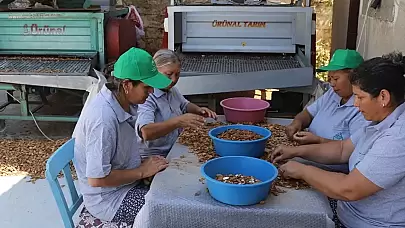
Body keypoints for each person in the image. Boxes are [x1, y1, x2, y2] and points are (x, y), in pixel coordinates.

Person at [271, 51, 405, 228]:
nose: (356, 104)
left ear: (383, 97)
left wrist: (303, 171)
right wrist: (295, 151)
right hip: (346, 211)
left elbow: (349, 188)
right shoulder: (379, 119)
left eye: (360, 97)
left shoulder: (397, 138)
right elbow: (342, 149)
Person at [72, 47, 172, 226]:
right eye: (146, 87)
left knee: (172, 188)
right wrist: (141, 171)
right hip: (108, 199)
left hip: (125, 183)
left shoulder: (124, 100)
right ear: (126, 85)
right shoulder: (103, 119)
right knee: (168, 211)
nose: (151, 92)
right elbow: (96, 179)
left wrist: (141, 168)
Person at [136, 49, 217, 159]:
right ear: (154, 72)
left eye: (177, 74)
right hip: (154, 157)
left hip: (174, 147)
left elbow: (184, 104)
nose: (173, 79)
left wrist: (199, 110)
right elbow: (146, 132)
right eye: (168, 74)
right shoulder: (147, 97)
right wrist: (178, 122)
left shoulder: (171, 90)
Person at [285, 49, 368, 146]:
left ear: (355, 78)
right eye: (330, 78)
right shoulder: (332, 94)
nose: (332, 84)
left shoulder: (361, 108)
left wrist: (318, 141)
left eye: (336, 79)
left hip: (328, 160)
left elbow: (351, 148)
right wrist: (297, 123)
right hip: (308, 151)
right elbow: (308, 113)